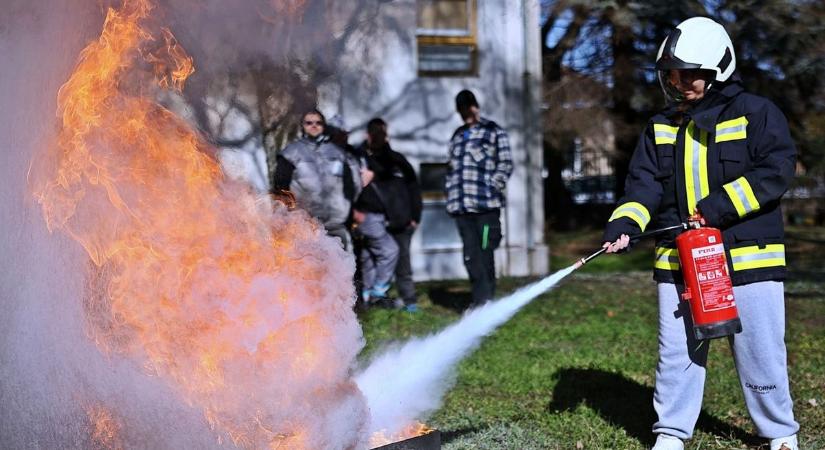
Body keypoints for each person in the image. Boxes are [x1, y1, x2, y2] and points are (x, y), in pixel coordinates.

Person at [601, 17, 799, 450]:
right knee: (676, 355)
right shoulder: (660, 125)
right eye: (673, 73)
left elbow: (775, 171)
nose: (679, 81)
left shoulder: (757, 113)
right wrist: (626, 223)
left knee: (759, 353)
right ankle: (670, 433)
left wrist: (715, 209)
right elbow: (643, 185)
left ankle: (779, 433)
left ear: (718, 70)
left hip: (748, 257)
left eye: (690, 73)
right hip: (678, 260)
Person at [445, 89, 513, 307]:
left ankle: (485, 303)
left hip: (486, 209)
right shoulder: (457, 135)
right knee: (471, 257)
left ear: (475, 106)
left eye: (467, 108)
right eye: (460, 110)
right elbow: (451, 169)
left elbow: (505, 163)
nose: (465, 114)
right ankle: (479, 301)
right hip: (462, 209)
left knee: (485, 254)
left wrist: (493, 185)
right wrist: (450, 192)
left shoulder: (493, 131)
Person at [355, 118, 423, 311]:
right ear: (367, 135)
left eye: (382, 133)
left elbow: (413, 187)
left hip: (400, 221)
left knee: (402, 263)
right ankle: (372, 298)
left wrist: (415, 216)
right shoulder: (358, 159)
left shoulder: (397, 160)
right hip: (370, 218)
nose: (379, 138)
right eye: (375, 133)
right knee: (369, 260)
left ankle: (409, 301)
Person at [272, 109, 362, 252]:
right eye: (309, 123)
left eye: (318, 123)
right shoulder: (291, 152)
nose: (314, 126)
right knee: (311, 271)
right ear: (303, 126)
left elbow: (354, 184)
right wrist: (286, 216)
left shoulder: (339, 153)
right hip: (305, 227)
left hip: (335, 227)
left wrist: (349, 209)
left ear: (324, 126)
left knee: (339, 272)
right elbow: (280, 188)